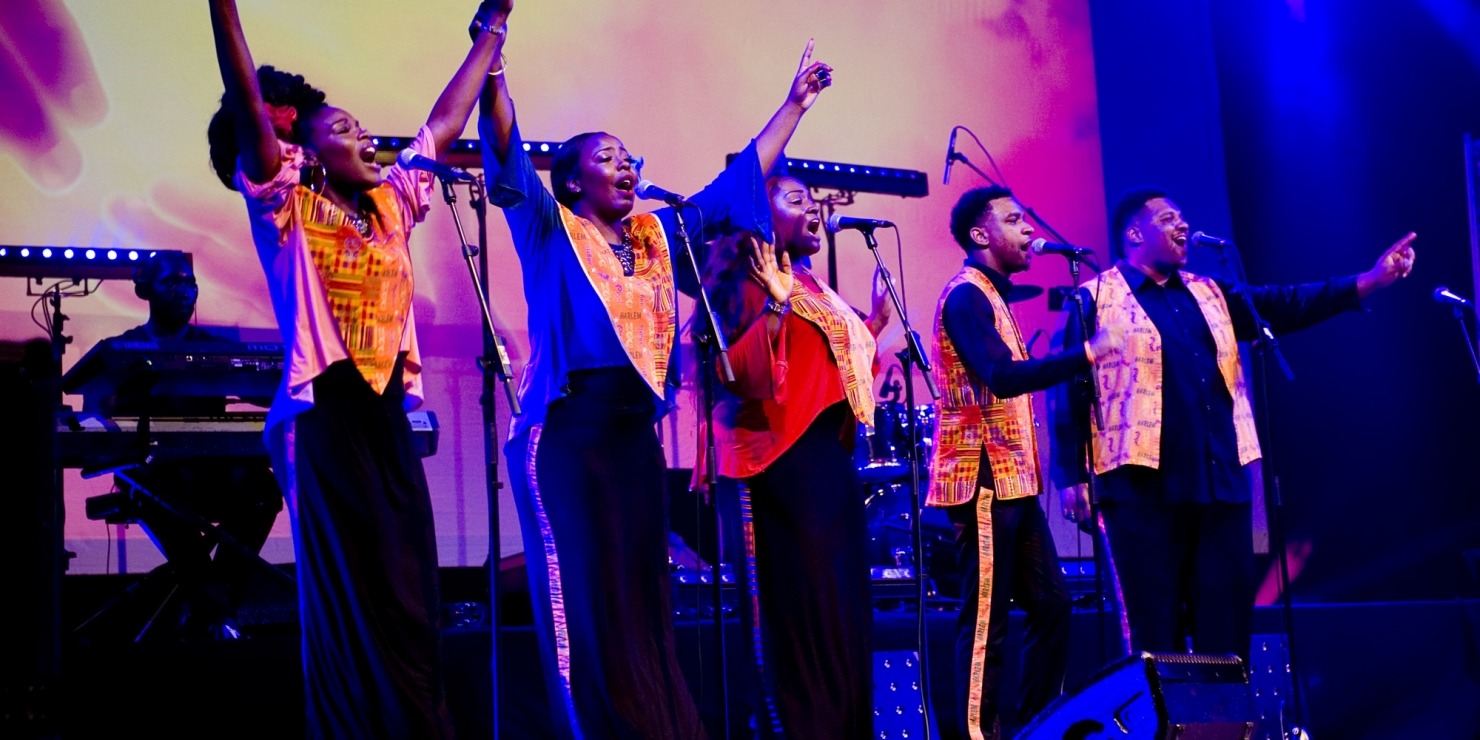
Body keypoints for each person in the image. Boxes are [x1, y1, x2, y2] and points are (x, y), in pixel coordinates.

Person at [477, 0, 833, 732]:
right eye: (603, 158)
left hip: (633, 442)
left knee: (643, 597)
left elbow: (735, 188)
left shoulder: (656, 236)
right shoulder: (550, 227)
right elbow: (505, 142)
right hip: (568, 436)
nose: (623, 166)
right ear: (571, 181)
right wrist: (494, 50)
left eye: (627, 157)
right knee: (585, 598)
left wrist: (793, 105)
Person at [206, 1, 505, 735]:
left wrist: (492, 31)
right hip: (321, 421)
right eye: (343, 128)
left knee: (408, 589)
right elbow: (247, 103)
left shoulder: (391, 204)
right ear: (299, 147)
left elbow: (442, 126)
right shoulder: (285, 206)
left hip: (386, 418)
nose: (364, 134)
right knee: (348, 597)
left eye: (360, 124)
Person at [1050, 188, 1416, 663]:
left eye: (1182, 217)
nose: (1182, 225)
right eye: (1167, 219)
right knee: (1153, 631)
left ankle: (1225, 730)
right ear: (1135, 233)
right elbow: (1069, 391)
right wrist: (1072, 479)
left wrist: (1368, 281)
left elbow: (1285, 304)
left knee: (1225, 626)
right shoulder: (1093, 299)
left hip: (1220, 484)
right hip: (1141, 490)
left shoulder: (1211, 292)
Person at [925, 186, 1122, 739]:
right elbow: (1002, 376)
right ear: (981, 235)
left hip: (1013, 483)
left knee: (1052, 606)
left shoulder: (991, 294)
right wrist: (1083, 354)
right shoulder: (966, 296)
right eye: (1014, 220)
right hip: (982, 482)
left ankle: (1037, 726)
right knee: (986, 621)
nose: (1029, 228)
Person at [699, 173, 890, 737]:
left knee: (839, 612)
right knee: (797, 619)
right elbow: (740, 376)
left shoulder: (809, 283)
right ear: (759, 213)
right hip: (774, 467)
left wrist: (874, 323)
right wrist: (777, 309)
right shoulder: (741, 272)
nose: (812, 208)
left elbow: (829, 373)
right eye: (795, 198)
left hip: (826, 463)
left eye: (813, 198)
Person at [82, 251, 282, 642]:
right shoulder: (122, 349)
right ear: (145, 291)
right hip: (154, 476)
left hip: (211, 474)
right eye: (173, 281)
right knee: (162, 492)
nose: (185, 290)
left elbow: (265, 391)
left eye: (190, 282)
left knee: (263, 491)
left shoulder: (217, 347)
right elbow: (95, 424)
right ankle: (214, 608)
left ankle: (210, 604)